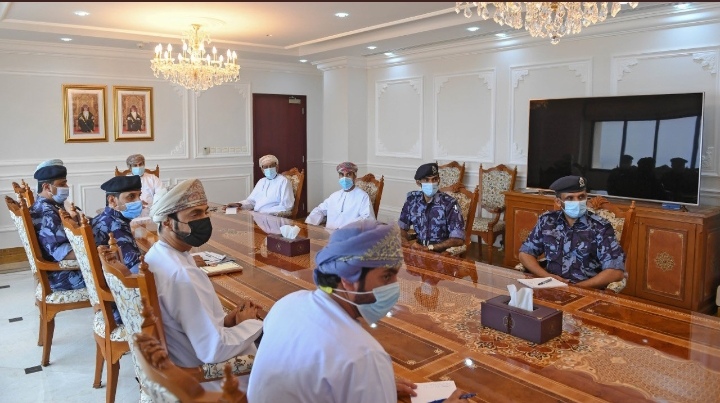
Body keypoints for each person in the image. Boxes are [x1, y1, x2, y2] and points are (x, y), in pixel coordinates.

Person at [247, 220, 468, 403]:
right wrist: (370, 380)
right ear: (347, 278)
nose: (395, 286)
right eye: (386, 276)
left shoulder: (287, 304)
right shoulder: (363, 357)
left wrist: (374, 387)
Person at [145, 178, 263, 370]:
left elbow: (190, 321)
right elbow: (215, 349)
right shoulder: (182, 273)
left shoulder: (158, 253)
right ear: (167, 222)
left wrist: (228, 320)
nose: (204, 219)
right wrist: (250, 323)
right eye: (195, 214)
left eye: (206, 211)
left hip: (184, 355)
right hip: (204, 374)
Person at [518, 175, 626, 289]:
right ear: (558, 202)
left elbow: (615, 271)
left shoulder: (601, 227)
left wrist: (576, 288)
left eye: (581, 197)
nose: (577, 202)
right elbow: (525, 253)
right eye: (570, 198)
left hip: (586, 289)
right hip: (550, 287)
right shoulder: (547, 221)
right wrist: (547, 276)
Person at [30, 160, 86, 291]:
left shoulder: (47, 205)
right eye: (62, 184)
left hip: (62, 270)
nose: (66, 187)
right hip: (62, 275)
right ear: (47, 187)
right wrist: (98, 250)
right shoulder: (47, 213)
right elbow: (62, 253)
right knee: (116, 273)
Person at [397, 162, 465, 253]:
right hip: (418, 250)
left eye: (434, 179)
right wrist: (405, 243)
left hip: (441, 253)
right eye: (426, 180)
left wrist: (430, 248)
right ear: (418, 182)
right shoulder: (412, 200)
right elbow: (401, 227)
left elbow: (458, 239)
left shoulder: (450, 203)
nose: (431, 183)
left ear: (438, 180)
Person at [91, 175, 143, 273]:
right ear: (112, 200)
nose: (139, 201)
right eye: (131, 196)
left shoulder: (103, 217)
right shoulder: (117, 226)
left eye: (139, 195)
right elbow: (136, 270)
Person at [305, 162, 375, 229]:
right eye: (341, 174)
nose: (344, 178)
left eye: (348, 174)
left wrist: (346, 228)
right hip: (329, 234)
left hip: (349, 235)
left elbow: (368, 219)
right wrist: (308, 225)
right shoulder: (334, 196)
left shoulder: (362, 196)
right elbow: (320, 210)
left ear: (354, 176)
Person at [227, 154, 294, 215]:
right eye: (266, 167)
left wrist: (262, 213)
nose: (269, 169)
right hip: (257, 216)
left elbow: (286, 206)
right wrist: (239, 204)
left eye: (271, 166)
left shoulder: (283, 181)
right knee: (229, 215)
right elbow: (251, 201)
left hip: (272, 217)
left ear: (277, 167)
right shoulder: (261, 181)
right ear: (262, 170)